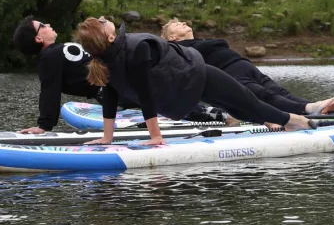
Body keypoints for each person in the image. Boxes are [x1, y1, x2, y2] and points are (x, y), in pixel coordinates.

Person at [75, 18, 316, 146]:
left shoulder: (106, 59)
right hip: (196, 76)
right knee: (246, 101)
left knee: (238, 107)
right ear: (109, 36)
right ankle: (293, 120)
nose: (104, 17)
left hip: (182, 92)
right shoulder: (134, 50)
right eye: (101, 21)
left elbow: (111, 98)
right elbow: (141, 95)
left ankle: (285, 120)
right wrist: (156, 137)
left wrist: (107, 137)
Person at [11, 16, 230, 133]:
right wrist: (44, 125)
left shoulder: (56, 52)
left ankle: (222, 110)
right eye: (42, 26)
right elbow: (49, 89)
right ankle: (221, 115)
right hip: (111, 86)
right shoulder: (49, 58)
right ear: (39, 39)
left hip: (120, 74)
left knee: (168, 88)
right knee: (162, 97)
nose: (48, 24)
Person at [161, 20, 334, 116]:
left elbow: (219, 44)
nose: (183, 22)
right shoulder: (180, 49)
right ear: (172, 38)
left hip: (244, 65)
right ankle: (309, 108)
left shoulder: (198, 42)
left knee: (278, 90)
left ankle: (315, 107)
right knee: (264, 95)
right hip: (229, 74)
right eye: (177, 25)